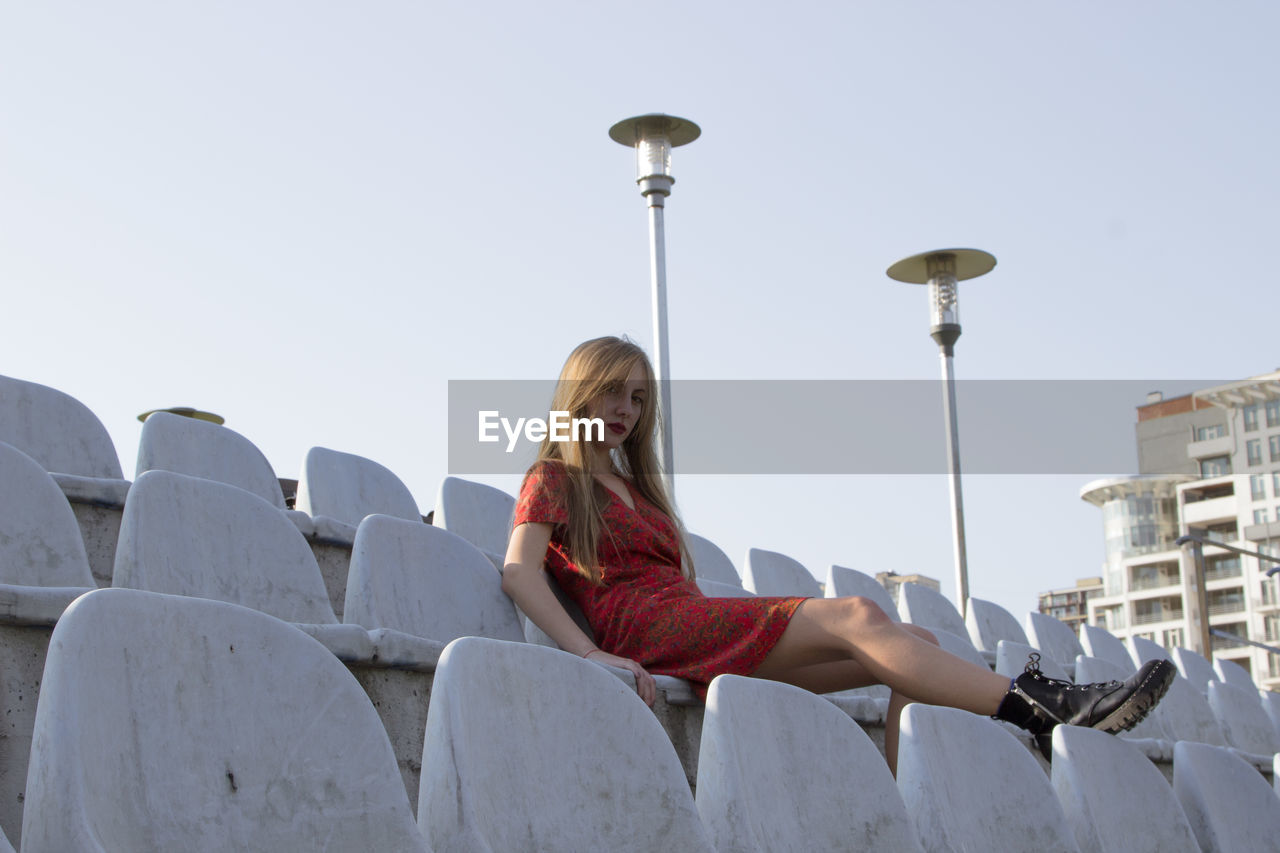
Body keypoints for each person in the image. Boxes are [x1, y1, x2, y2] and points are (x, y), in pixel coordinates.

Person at [501, 335, 1174, 771]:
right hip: (649, 633)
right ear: (580, 390)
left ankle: (900, 799)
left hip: (696, 630)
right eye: (614, 390)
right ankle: (1044, 706)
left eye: (639, 396)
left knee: (909, 640)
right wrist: (589, 653)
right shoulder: (555, 476)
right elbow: (518, 572)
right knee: (856, 611)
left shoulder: (641, 487)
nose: (626, 408)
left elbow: (682, 583)